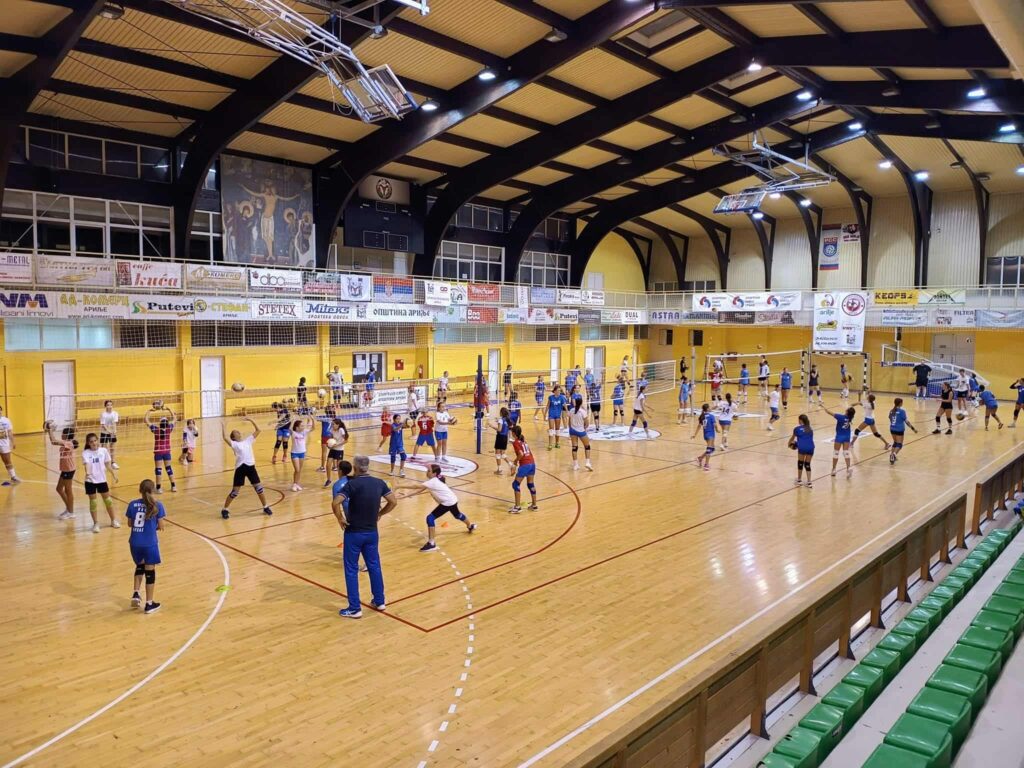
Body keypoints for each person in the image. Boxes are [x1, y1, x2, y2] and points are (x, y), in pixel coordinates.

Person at [334, 456, 397, 619]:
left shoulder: (351, 484)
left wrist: (340, 518)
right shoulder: (379, 483)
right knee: (374, 566)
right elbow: (393, 501)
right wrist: (380, 513)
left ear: (355, 468)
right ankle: (379, 601)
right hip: (372, 533)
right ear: (367, 467)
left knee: (351, 569)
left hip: (353, 533)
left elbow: (335, 502)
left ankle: (355, 608)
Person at [220, 418, 272, 519]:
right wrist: (224, 425)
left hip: (251, 468)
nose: (238, 432)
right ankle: (225, 509)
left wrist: (251, 420)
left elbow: (258, 430)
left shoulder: (248, 440)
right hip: (240, 468)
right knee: (235, 492)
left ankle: (265, 507)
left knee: (259, 489)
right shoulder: (235, 444)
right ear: (234, 437)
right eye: (236, 432)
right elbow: (225, 437)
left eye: (238, 431)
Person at [126, 479, 166, 614]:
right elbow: (161, 526)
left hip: (134, 543)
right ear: (152, 490)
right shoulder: (157, 505)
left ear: (140, 490)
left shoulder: (132, 504)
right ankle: (149, 604)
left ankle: (136, 593)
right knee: (150, 572)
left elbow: (129, 524)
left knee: (140, 566)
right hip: (149, 543)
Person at [416, 464, 476, 552]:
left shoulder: (433, 482)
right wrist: (405, 495)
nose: (427, 472)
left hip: (447, 502)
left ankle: (431, 544)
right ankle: (470, 526)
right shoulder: (435, 480)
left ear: (434, 473)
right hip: (453, 499)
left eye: (429, 471)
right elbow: (420, 489)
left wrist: (399, 486)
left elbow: (416, 487)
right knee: (457, 515)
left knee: (430, 518)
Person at [82, 432, 119, 533]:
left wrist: (114, 474)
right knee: (93, 503)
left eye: (95, 440)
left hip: (102, 480)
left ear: (97, 441)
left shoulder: (103, 451)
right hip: (90, 481)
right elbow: (87, 464)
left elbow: (107, 465)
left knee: (108, 501)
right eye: (91, 442)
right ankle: (95, 524)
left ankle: (113, 520)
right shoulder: (86, 453)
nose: (94, 443)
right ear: (88, 443)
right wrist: (88, 473)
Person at [48, 423, 77, 520]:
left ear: (66, 435)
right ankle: (68, 509)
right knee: (59, 489)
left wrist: (50, 430)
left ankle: (71, 512)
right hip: (65, 469)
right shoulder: (66, 442)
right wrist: (50, 430)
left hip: (69, 469)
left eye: (63, 433)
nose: (61, 434)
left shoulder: (69, 443)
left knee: (68, 490)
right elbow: (54, 441)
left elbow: (53, 441)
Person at [144, 405, 176, 494]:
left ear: (160, 423)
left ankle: (158, 488)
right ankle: (173, 486)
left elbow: (146, 420)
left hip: (158, 452)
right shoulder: (169, 429)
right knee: (169, 468)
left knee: (158, 470)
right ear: (167, 423)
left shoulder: (156, 430)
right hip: (167, 451)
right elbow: (174, 418)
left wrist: (150, 411)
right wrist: (169, 409)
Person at [507, 424, 537, 514]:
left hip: (525, 464)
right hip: (532, 463)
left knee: (515, 484)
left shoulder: (516, 442)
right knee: (530, 484)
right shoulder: (524, 441)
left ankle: (517, 507)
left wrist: (515, 461)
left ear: (513, 433)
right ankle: (534, 505)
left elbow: (521, 454)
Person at [824, 404, 856, 478]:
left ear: (847, 412)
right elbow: (851, 410)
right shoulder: (850, 418)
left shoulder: (840, 417)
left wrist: (823, 406)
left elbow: (828, 411)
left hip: (839, 437)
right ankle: (848, 468)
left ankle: (834, 469)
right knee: (846, 453)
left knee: (836, 453)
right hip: (847, 437)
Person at [788, 414, 815, 488]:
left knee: (800, 463)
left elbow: (792, 438)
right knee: (807, 464)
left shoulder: (797, 429)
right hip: (811, 447)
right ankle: (809, 482)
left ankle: (799, 480)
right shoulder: (810, 428)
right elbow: (807, 438)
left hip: (802, 447)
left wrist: (789, 444)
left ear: (800, 420)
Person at [888, 398, 917, 464]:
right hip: (899, 429)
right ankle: (893, 455)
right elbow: (907, 422)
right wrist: (913, 429)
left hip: (892, 429)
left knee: (895, 443)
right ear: (900, 403)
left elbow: (890, 419)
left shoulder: (891, 411)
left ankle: (891, 455)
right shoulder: (902, 411)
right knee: (899, 444)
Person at [568, 396, 593, 471]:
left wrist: (570, 430)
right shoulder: (583, 411)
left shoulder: (571, 410)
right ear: (581, 403)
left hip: (572, 431)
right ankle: (587, 463)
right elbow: (587, 423)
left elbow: (569, 422)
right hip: (581, 431)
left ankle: (575, 465)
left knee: (574, 448)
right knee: (587, 446)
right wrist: (584, 428)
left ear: (575, 402)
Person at [290, 416, 314, 492]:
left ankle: (297, 484)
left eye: (303, 426)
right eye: (301, 426)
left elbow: (313, 428)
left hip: (302, 453)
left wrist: (312, 419)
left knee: (299, 470)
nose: (303, 427)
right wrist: (293, 420)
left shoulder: (304, 432)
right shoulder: (293, 433)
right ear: (297, 427)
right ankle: (294, 484)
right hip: (295, 453)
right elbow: (290, 429)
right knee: (297, 469)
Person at [323, 418, 348, 488]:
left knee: (339, 467)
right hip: (333, 449)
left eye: (333, 424)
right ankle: (328, 480)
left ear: (338, 425)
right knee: (328, 465)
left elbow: (346, 441)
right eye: (332, 424)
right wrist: (329, 444)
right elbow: (331, 439)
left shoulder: (341, 430)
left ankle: (340, 481)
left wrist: (337, 445)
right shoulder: (332, 430)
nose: (332, 425)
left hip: (339, 450)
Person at [692, 403, 717, 471]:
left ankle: (700, 458)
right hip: (710, 434)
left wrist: (695, 435)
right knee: (709, 449)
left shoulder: (702, 416)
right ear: (708, 409)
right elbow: (715, 425)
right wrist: (717, 430)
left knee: (712, 449)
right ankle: (706, 465)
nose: (710, 408)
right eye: (710, 407)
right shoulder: (711, 416)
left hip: (705, 434)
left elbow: (699, 426)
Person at [0, 406, 20, 484]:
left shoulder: (6, 420)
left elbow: (10, 432)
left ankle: (13, 476)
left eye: (0, 410)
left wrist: (13, 442)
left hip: (4, 444)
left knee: (7, 461)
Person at [99, 399, 120, 469]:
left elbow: (114, 423)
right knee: (104, 448)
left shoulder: (115, 413)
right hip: (104, 433)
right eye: (108, 405)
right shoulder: (103, 414)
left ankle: (113, 462)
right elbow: (103, 425)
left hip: (112, 433)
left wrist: (114, 431)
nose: (110, 406)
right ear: (105, 406)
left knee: (112, 448)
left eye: (111, 405)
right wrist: (109, 431)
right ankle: (103, 463)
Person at [388, 413, 411, 477]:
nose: (398, 420)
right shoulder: (392, 425)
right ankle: (392, 471)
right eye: (397, 419)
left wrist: (408, 423)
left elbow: (407, 426)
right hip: (393, 444)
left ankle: (401, 470)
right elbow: (395, 429)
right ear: (394, 419)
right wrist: (402, 425)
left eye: (399, 419)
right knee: (393, 457)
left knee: (403, 456)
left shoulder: (401, 424)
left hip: (400, 444)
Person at [490, 407, 511, 474]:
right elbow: (509, 428)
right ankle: (511, 465)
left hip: (500, 437)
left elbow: (499, 429)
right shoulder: (507, 420)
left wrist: (491, 426)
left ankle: (499, 470)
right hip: (505, 437)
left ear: (501, 413)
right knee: (503, 454)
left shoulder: (501, 420)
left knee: (497, 453)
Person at [546, 384, 567, 450]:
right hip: (551, 414)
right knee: (551, 430)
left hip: (558, 415)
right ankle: (550, 444)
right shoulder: (551, 397)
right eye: (557, 390)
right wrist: (544, 414)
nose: (559, 392)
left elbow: (565, 405)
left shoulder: (562, 397)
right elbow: (547, 406)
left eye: (559, 391)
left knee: (557, 430)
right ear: (554, 391)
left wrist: (567, 412)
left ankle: (557, 443)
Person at [316, 404, 336, 473]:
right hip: (332, 436)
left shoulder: (324, 418)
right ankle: (335, 467)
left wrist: (316, 411)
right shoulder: (335, 418)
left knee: (324, 452)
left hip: (325, 436)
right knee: (333, 451)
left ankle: (322, 467)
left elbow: (316, 418)